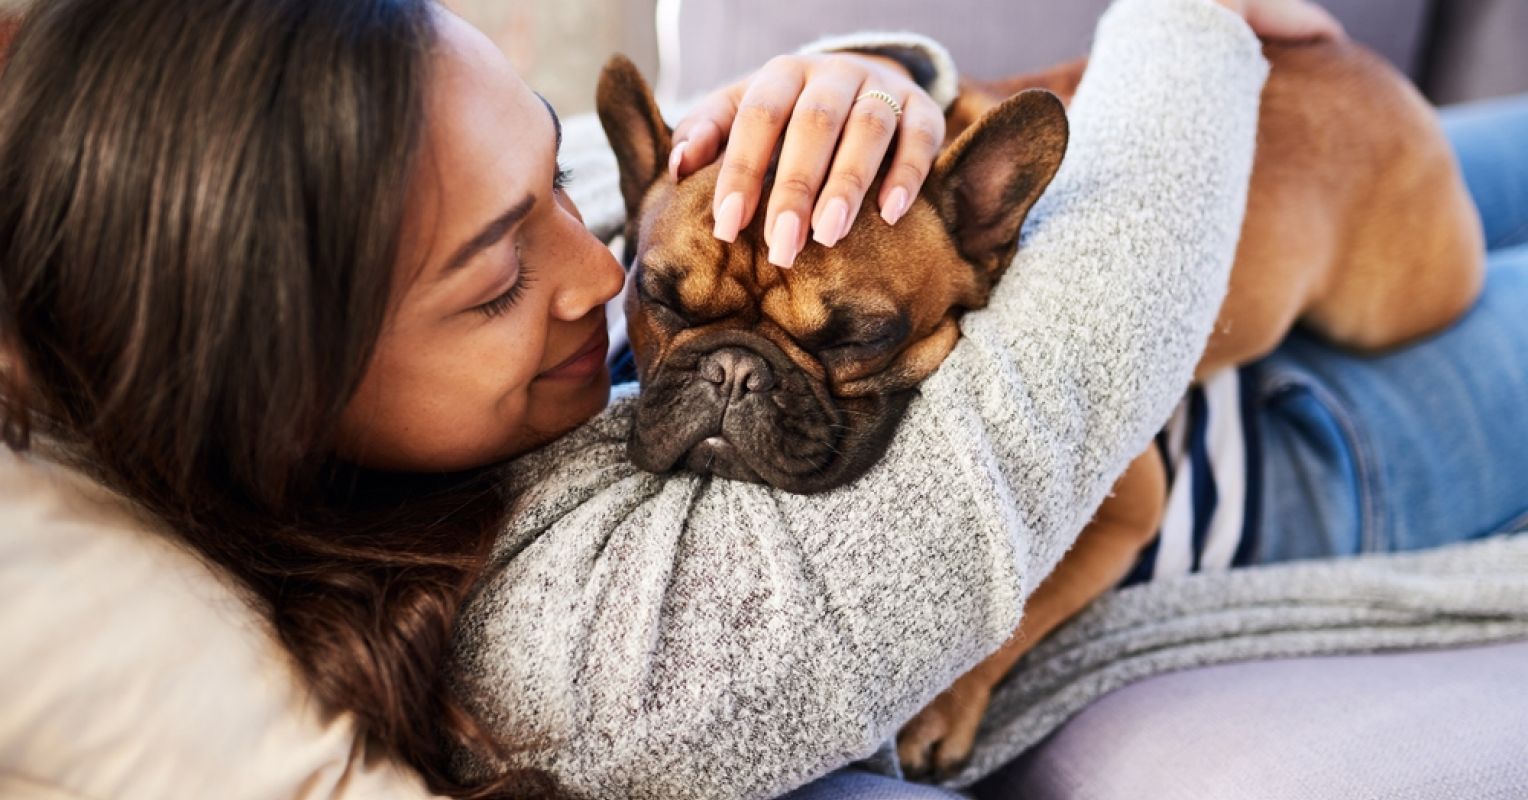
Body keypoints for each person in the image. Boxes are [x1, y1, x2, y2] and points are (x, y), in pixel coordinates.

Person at [7, 1, 1508, 800]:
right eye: (492, 277)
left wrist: (855, 91)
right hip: (1328, 432)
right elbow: (1092, 383)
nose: (596, 274)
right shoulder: (615, 657)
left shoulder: (576, 300)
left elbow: (688, 208)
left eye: (557, 176)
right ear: (288, 404)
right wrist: (1194, 24)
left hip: (1300, 207)